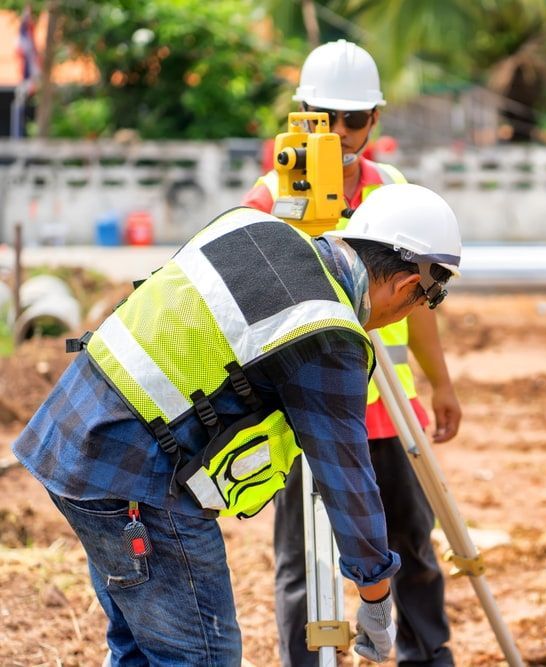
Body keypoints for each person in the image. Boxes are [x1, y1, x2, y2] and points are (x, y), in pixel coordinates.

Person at [12, 184, 463, 666]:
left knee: (141, 650)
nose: (416, 310)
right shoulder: (328, 332)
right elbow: (347, 477)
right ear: (407, 284)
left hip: (70, 438)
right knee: (203, 656)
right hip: (136, 481)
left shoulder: (251, 225)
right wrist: (375, 596)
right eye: (427, 300)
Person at [242, 40, 460, 667]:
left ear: (375, 121)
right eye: (322, 117)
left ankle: (425, 655)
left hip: (388, 412)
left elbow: (419, 303)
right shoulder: (269, 199)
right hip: (302, 416)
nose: (338, 134)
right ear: (300, 114)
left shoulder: (394, 194)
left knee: (412, 546)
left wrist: (441, 384)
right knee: (301, 564)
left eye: (354, 119)